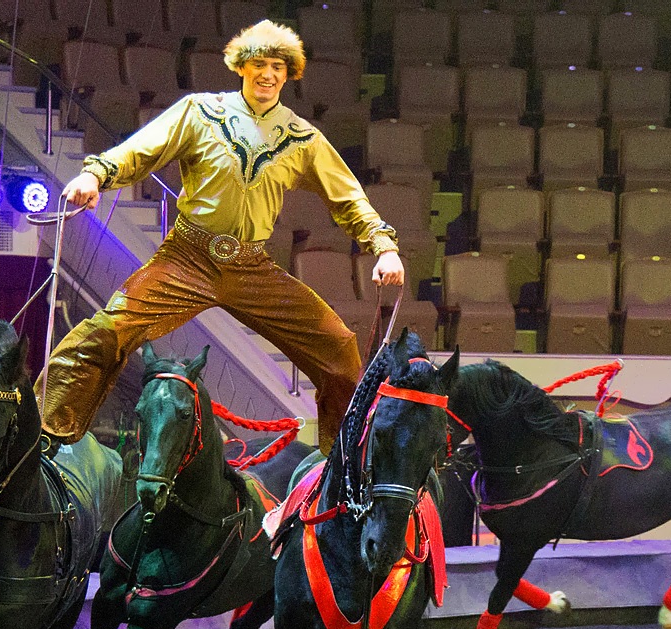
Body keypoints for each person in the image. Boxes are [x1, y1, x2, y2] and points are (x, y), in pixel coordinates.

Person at [39, 19, 404, 455]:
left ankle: (346, 461)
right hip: (187, 257)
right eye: (259, 64)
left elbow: (348, 199)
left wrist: (384, 248)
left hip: (251, 267)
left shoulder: (304, 139)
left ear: (289, 75)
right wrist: (95, 174)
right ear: (241, 66)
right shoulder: (200, 111)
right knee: (105, 332)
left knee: (339, 347)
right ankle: (42, 437)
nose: (268, 74)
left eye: (278, 67)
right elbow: (141, 149)